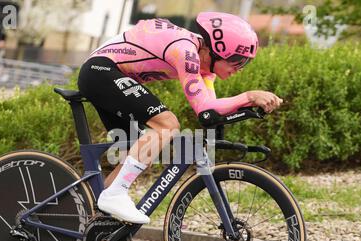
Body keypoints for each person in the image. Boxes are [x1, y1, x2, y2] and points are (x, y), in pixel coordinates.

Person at [78, 12, 283, 224]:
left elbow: (210, 113)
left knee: (142, 154)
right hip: (100, 71)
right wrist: (249, 96)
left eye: (244, 64)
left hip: (109, 75)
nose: (238, 69)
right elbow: (205, 108)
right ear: (217, 51)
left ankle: (94, 224)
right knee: (167, 125)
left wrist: (247, 106)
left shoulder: (206, 70)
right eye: (237, 62)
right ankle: (115, 194)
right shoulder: (185, 50)